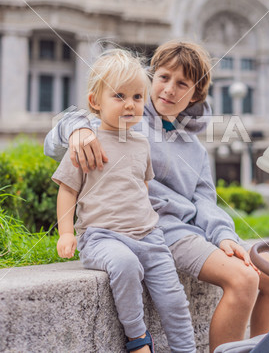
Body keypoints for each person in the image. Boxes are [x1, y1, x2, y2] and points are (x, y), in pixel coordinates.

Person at [45, 40, 269, 352]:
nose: (169, 90)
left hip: (197, 232)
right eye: (163, 78)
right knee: (244, 280)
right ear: (152, 77)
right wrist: (77, 128)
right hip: (160, 232)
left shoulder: (196, 148)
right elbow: (55, 141)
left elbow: (205, 199)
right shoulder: (127, 118)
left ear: (196, 94)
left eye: (182, 84)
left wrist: (224, 234)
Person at [51, 49, 196, 353]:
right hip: (101, 237)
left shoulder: (141, 143)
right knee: (126, 265)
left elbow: (141, 185)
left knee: (174, 298)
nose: (130, 104)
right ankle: (137, 337)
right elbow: (67, 190)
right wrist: (66, 232)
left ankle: (186, 349)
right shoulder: (86, 142)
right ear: (95, 102)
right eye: (119, 96)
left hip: (149, 237)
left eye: (137, 97)